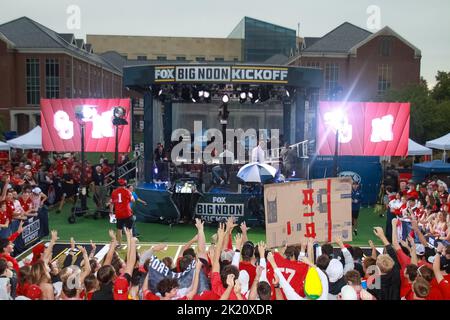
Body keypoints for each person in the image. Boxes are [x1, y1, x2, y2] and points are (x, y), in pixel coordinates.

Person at [110, 179, 135, 246]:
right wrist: (131, 195)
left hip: (118, 213)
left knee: (119, 229)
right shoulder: (127, 191)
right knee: (129, 229)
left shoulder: (114, 192)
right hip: (127, 213)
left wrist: (111, 211)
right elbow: (133, 200)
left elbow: (111, 203)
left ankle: (119, 244)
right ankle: (130, 244)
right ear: (125, 185)